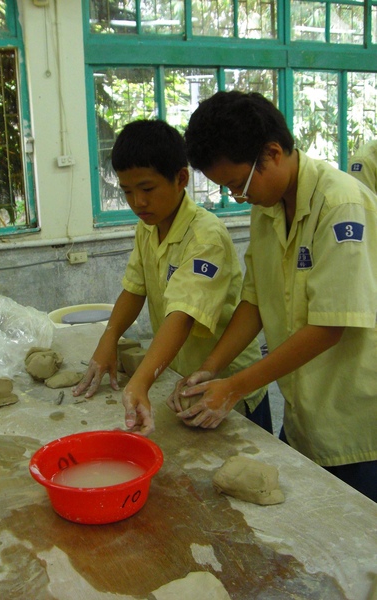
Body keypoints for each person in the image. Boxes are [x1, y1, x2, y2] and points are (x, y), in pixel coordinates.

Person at [167, 90, 377, 502]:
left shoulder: (340, 204)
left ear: (273, 152)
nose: (237, 197)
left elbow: (329, 326)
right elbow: (256, 299)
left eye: (236, 184)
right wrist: (212, 368)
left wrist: (235, 387)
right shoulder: (267, 204)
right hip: (304, 411)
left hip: (356, 421)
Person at [72, 119, 271, 436]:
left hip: (223, 384)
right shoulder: (148, 225)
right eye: (127, 192)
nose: (138, 202)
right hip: (181, 374)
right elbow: (135, 289)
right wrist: (108, 339)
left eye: (147, 189)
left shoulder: (205, 237)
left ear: (181, 179)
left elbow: (183, 316)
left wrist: (140, 381)